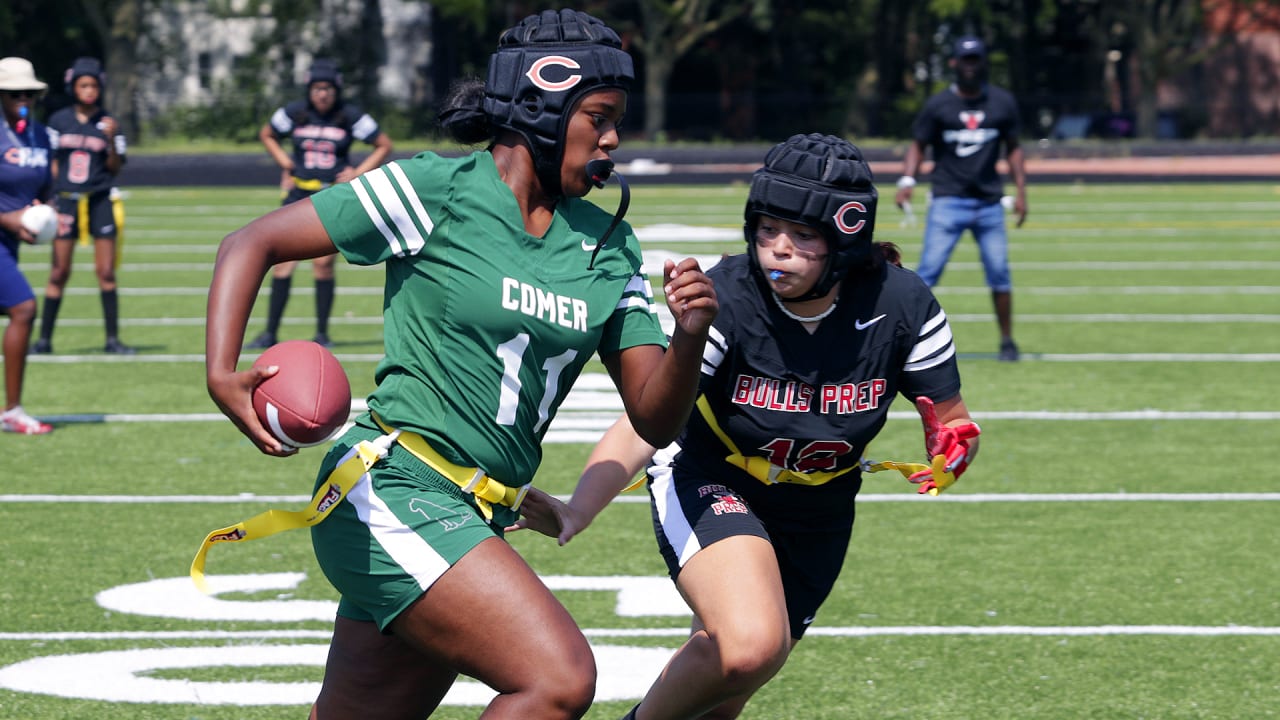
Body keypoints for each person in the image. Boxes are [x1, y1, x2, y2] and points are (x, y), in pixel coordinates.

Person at [204, 10, 716, 719]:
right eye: (598, 117)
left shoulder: (610, 245)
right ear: (541, 108)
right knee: (558, 678)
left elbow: (655, 418)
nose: (612, 140)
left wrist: (689, 335)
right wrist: (221, 372)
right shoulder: (434, 189)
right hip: (394, 489)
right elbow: (249, 243)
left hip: (479, 512)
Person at [513, 133, 981, 720]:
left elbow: (951, 417)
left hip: (822, 508)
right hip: (715, 478)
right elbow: (650, 420)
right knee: (752, 645)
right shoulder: (727, 297)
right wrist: (581, 505)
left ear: (847, 237)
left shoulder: (904, 303)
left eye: (803, 235)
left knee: (725, 689)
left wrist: (954, 445)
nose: (777, 250)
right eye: (766, 229)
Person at [895, 35, 1028, 362]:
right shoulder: (939, 104)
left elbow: (1013, 148)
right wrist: (908, 179)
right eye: (965, 60)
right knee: (927, 274)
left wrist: (1022, 192)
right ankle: (903, 342)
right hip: (948, 199)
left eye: (976, 59)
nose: (971, 66)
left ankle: (1007, 341)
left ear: (983, 62)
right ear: (954, 63)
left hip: (988, 203)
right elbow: (918, 144)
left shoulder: (1002, 102)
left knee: (999, 273)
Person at [246, 57, 394, 349]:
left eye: (327, 88)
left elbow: (384, 144)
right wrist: (285, 164)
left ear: (336, 89)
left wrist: (356, 173)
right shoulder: (296, 112)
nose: (322, 94)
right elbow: (267, 133)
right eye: (317, 88)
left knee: (323, 265)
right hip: (298, 192)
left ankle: (322, 334)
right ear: (309, 89)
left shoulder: (348, 115)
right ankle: (270, 333)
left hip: (332, 195)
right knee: (282, 264)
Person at [33, 56, 133, 355]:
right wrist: (52, 194)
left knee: (106, 271)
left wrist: (112, 138)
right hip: (66, 201)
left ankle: (112, 340)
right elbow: (51, 162)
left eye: (93, 85)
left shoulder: (109, 122)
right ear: (73, 87)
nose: (89, 90)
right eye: (83, 85)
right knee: (58, 272)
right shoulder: (58, 120)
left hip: (99, 199)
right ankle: (44, 340)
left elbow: (115, 167)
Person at [0, 57, 54, 434]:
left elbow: (46, 189)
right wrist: (10, 219)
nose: (23, 99)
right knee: (23, 307)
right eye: (14, 93)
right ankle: (13, 410)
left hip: (8, 243)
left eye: (29, 93)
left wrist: (45, 214)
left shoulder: (41, 136)